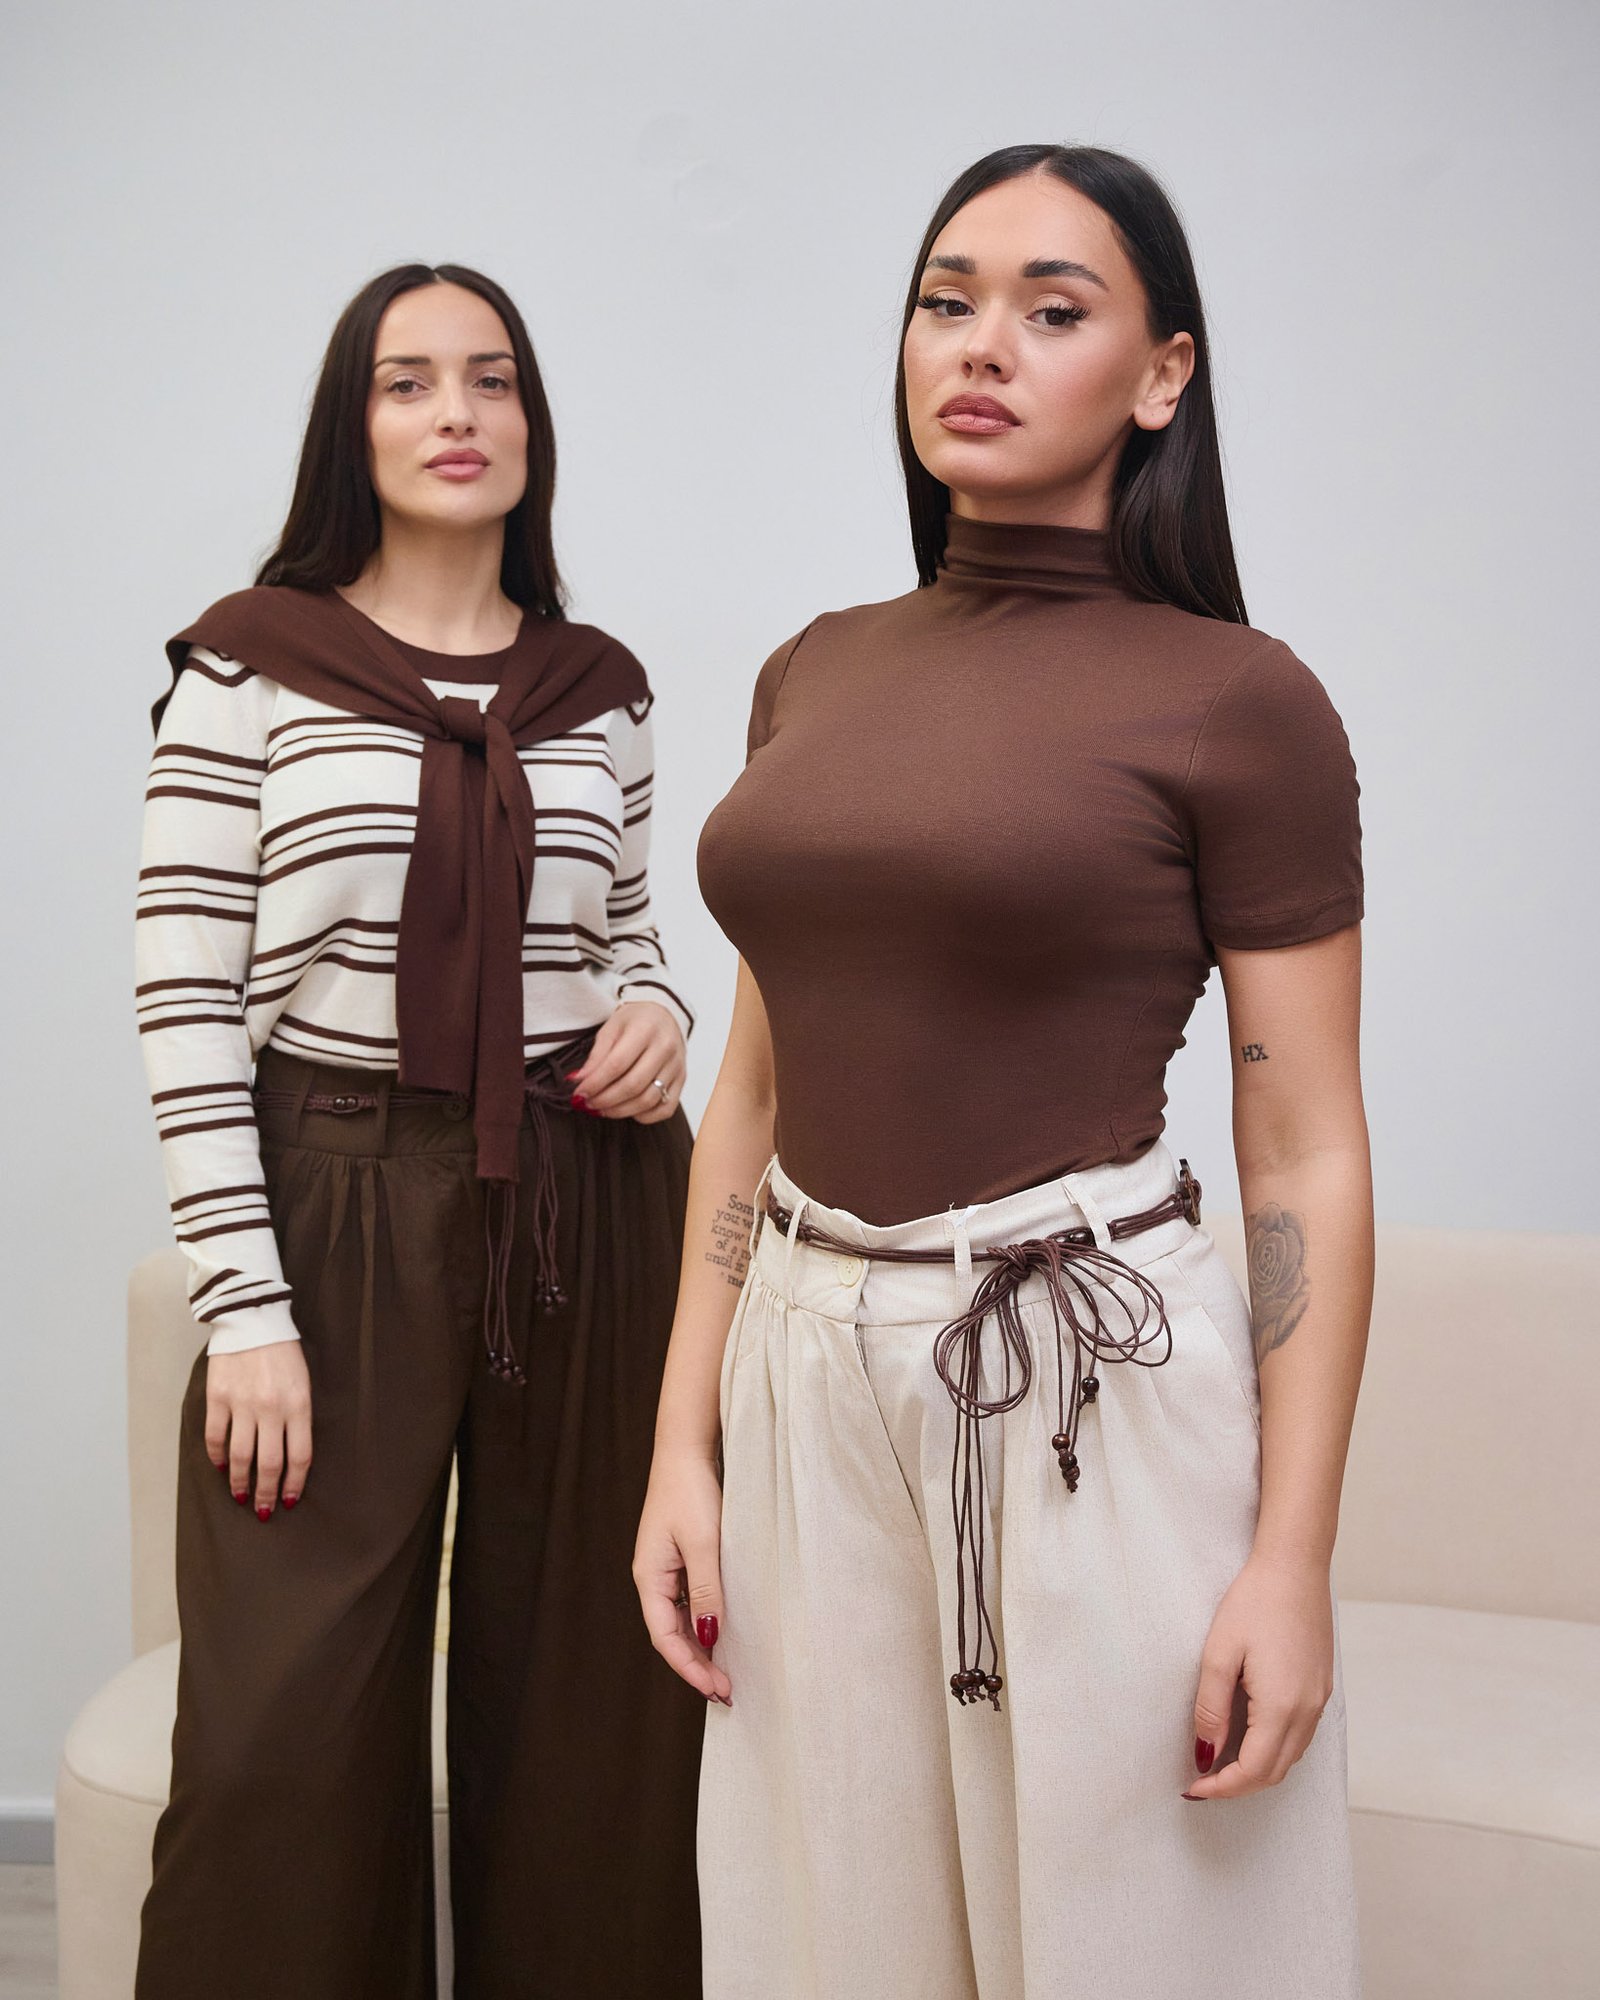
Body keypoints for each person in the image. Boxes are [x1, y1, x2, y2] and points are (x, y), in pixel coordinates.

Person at [636, 147, 1371, 1999]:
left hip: (1078, 1384)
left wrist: (1291, 1561)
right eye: (947, 300)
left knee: (1147, 1946)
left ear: (1163, 374)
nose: (982, 345)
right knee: (828, 1942)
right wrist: (681, 1442)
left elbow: (1302, 1151)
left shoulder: (1240, 702)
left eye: (1054, 310)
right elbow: (753, 1098)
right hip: (805, 1368)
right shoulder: (814, 673)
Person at [135, 262, 704, 1998]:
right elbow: (183, 1004)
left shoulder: (601, 688)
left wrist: (664, 1014)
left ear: (533, 422)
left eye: (492, 377)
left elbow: (625, 936)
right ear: (354, 426)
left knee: (602, 1709)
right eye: (408, 381)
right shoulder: (249, 665)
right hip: (337, 1200)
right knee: (284, 1734)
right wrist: (246, 1308)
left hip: (588, 1206)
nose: (457, 412)